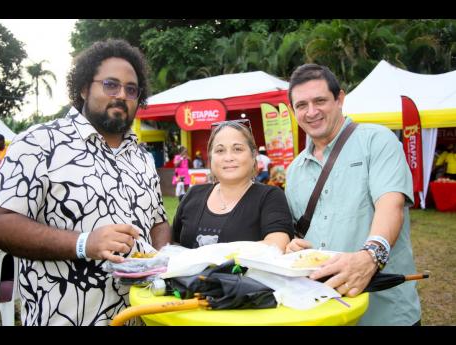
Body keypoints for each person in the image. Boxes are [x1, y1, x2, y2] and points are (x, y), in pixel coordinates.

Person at [0, 39, 171, 326]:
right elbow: (1, 222)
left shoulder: (141, 156)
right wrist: (83, 243)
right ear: (83, 88)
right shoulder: (40, 142)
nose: (122, 96)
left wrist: (160, 261)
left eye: (131, 90)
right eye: (111, 85)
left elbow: (159, 223)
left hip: (140, 317)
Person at [284, 63, 421, 326]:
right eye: (301, 105)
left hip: (385, 313)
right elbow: (297, 234)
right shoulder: (294, 170)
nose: (311, 112)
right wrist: (292, 245)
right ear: (293, 111)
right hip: (325, 313)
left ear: (340, 99)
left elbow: (390, 206)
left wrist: (371, 255)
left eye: (320, 100)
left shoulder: (377, 140)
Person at [172, 120, 293, 251]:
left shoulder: (270, 197)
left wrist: (213, 254)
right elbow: (174, 244)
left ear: (253, 156)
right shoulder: (193, 194)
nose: (228, 157)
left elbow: (276, 246)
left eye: (237, 149)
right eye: (220, 150)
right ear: (211, 158)